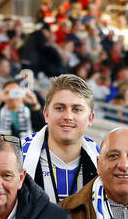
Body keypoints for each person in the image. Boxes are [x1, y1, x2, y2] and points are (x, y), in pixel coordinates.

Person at [21, 74, 99, 203]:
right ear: (46, 114)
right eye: (60, 108)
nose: (68, 116)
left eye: (77, 109)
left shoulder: (103, 162)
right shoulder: (16, 156)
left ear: (90, 118)